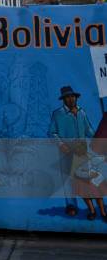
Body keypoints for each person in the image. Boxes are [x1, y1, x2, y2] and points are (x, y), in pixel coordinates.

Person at [48, 86, 95, 218]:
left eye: (72, 96)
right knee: (69, 180)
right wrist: (61, 144)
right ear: (63, 99)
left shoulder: (82, 112)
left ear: (76, 97)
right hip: (66, 151)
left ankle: (91, 208)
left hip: (81, 150)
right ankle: (71, 206)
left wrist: (99, 137)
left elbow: (89, 130)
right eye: (67, 97)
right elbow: (51, 133)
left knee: (85, 178)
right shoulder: (57, 114)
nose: (70, 99)